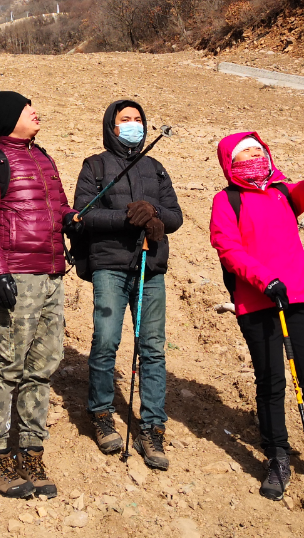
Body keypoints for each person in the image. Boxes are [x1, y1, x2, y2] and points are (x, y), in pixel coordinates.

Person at [208, 116, 304, 503]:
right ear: (229, 163)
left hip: (297, 297)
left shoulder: (282, 193)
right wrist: (265, 281)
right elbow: (227, 248)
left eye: (258, 151)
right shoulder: (226, 200)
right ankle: (277, 458)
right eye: (244, 154)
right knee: (271, 383)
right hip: (257, 300)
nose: (253, 158)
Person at [0, 91, 80, 500]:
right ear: (8, 117)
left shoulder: (44, 157)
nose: (35, 111)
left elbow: (59, 207)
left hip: (51, 275)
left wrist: (73, 221)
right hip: (15, 278)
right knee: (6, 366)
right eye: (25, 107)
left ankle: (31, 451)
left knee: (43, 366)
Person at [72, 100, 182, 469]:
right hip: (109, 266)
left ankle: (152, 426)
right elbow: (83, 214)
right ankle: (102, 413)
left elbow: (175, 215)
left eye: (138, 120)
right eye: (126, 120)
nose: (134, 125)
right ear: (111, 126)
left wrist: (153, 214)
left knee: (152, 348)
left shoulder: (156, 167)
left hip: (150, 268)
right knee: (106, 340)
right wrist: (127, 218)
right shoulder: (95, 165)